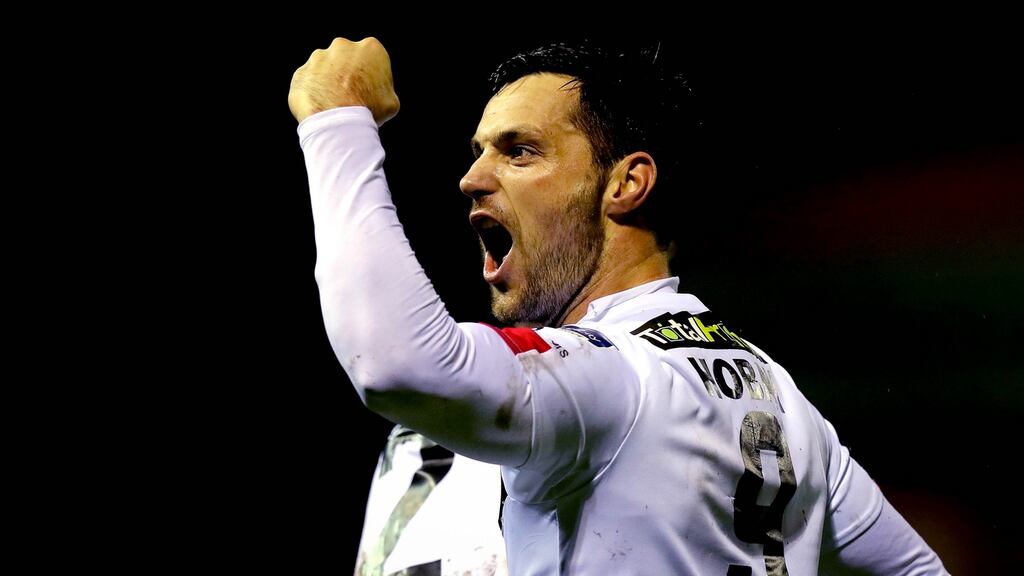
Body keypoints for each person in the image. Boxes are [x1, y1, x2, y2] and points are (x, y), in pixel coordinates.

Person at [289, 37, 948, 575]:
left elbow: (397, 363)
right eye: (479, 152)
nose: (472, 179)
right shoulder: (782, 402)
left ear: (627, 183)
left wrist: (336, 122)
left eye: (520, 152)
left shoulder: (609, 378)